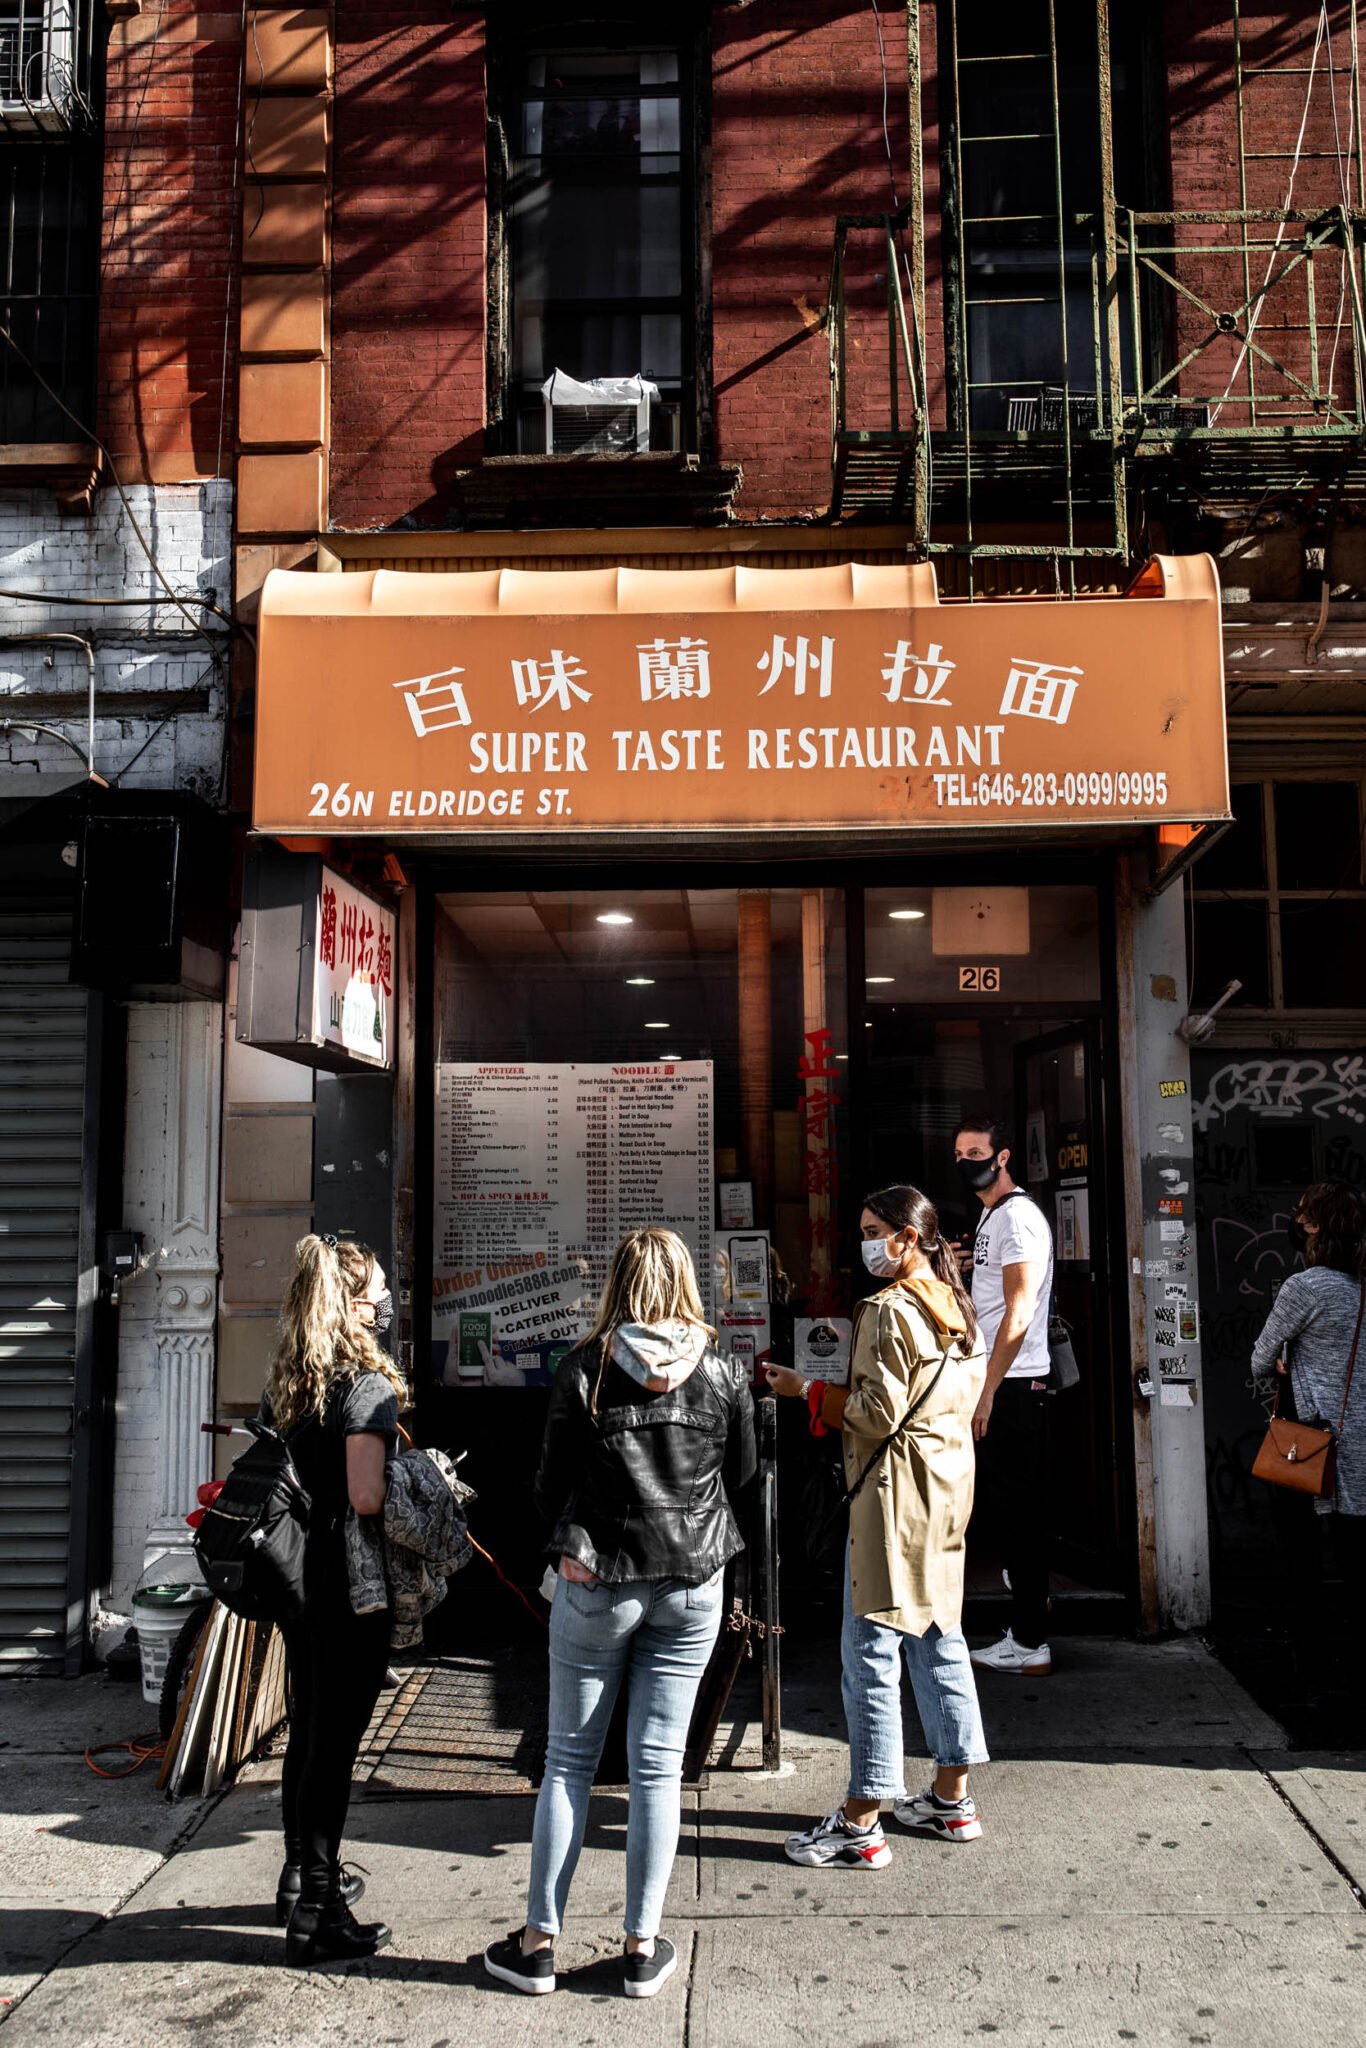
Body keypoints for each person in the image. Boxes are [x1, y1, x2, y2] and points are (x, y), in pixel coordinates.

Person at [484, 1227, 755, 2000]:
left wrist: (575, 1535)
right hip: (693, 1579)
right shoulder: (723, 1368)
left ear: (618, 1285)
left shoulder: (586, 1369)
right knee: (658, 1769)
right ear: (686, 1283)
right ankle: (640, 1948)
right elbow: (741, 1474)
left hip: (598, 1575)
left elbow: (547, 1486)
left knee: (569, 1764)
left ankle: (538, 1945)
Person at [767, 1184, 990, 1866]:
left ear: (909, 1237)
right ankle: (951, 1798)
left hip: (893, 1498)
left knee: (868, 1653)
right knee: (940, 1636)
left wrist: (806, 1389)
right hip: (946, 1489)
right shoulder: (958, 1305)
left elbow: (874, 1412)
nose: (865, 1243)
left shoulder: (890, 1310)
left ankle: (862, 1820)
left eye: (873, 1232)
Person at [260, 1233, 405, 1967]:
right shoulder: (366, 1388)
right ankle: (319, 1910)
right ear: (352, 1305)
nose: (384, 1303)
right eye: (376, 1293)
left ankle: (300, 1880)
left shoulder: (292, 1382)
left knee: (311, 1731)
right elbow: (366, 1495)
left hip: (301, 1577)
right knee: (335, 1746)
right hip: (352, 1585)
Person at [1251, 1181, 1366, 1735]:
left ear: (1316, 1225)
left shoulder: (1305, 1286)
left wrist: (1283, 1361)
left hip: (1309, 1445)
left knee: (1301, 1556)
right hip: (1360, 1441)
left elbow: (1259, 1357)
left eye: (1302, 1214)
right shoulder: (1361, 1285)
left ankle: (1312, 1667)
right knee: (1356, 1555)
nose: (1295, 1220)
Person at [952, 1114, 1057, 1677]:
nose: (966, 1162)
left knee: (1020, 1513)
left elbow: (1018, 1314)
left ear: (1003, 1157)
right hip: (1002, 1380)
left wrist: (987, 1391)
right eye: (960, 1154)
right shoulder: (993, 1216)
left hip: (1014, 1384)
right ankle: (1028, 1621)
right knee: (1011, 1508)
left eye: (976, 1153)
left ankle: (1031, 1641)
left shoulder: (1017, 1218)